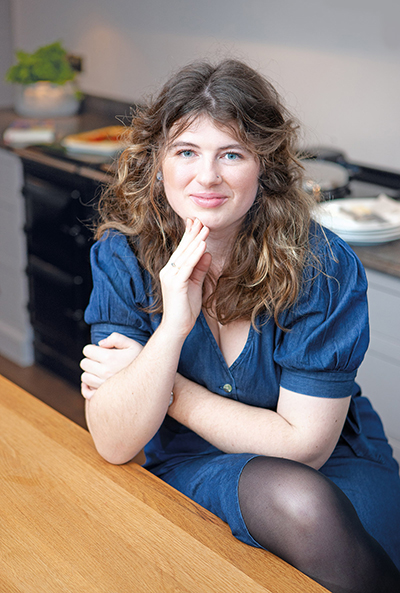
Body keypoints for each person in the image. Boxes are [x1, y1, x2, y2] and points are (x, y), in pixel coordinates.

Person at [80, 59, 400, 592]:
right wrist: (174, 326)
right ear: (158, 163)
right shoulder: (125, 257)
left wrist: (166, 388)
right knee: (294, 504)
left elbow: (305, 448)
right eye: (186, 152)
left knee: (320, 509)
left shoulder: (322, 266)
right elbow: (114, 442)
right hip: (196, 462)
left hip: (337, 467)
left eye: (231, 154)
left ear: (264, 168)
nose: (207, 176)